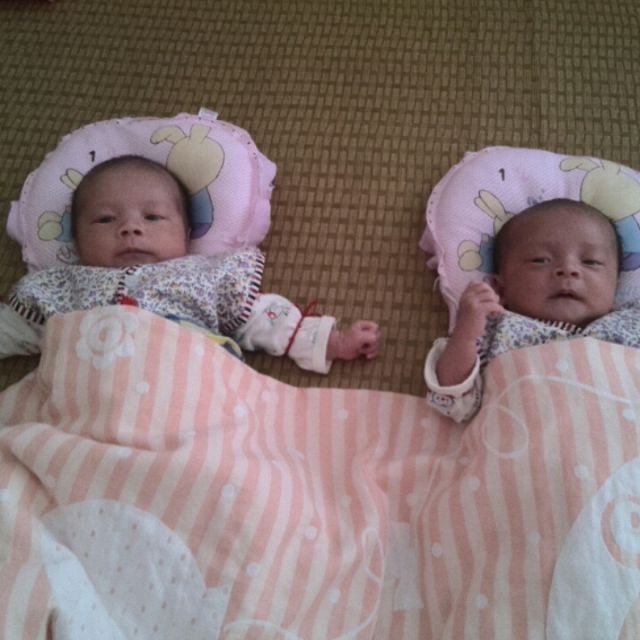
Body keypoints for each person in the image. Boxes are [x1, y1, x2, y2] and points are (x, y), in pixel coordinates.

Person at [0, 155, 380, 373]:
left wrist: (332, 341)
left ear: (185, 233)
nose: (130, 228)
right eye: (104, 219)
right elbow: (14, 329)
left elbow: (265, 319)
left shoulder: (205, 276)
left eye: (152, 217)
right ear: (76, 239)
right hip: (85, 412)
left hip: (191, 398)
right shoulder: (61, 287)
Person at [424, 197, 640, 423]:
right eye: (540, 260)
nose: (568, 269)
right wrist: (465, 333)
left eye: (591, 262)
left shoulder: (631, 323)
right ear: (500, 288)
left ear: (616, 284)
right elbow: (452, 399)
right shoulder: (494, 331)